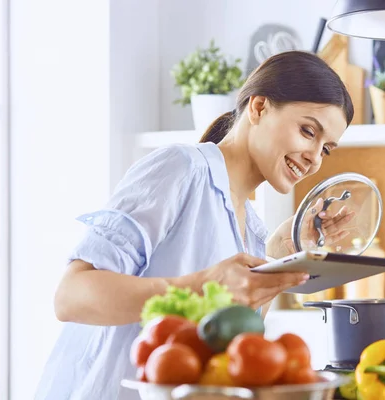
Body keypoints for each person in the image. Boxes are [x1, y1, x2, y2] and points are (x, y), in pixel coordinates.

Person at [34, 50, 355, 400]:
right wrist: (198, 286)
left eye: (326, 149)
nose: (314, 158)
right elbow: (71, 297)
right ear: (259, 107)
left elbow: (227, 347)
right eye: (308, 131)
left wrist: (283, 250)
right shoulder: (181, 168)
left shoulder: (252, 229)